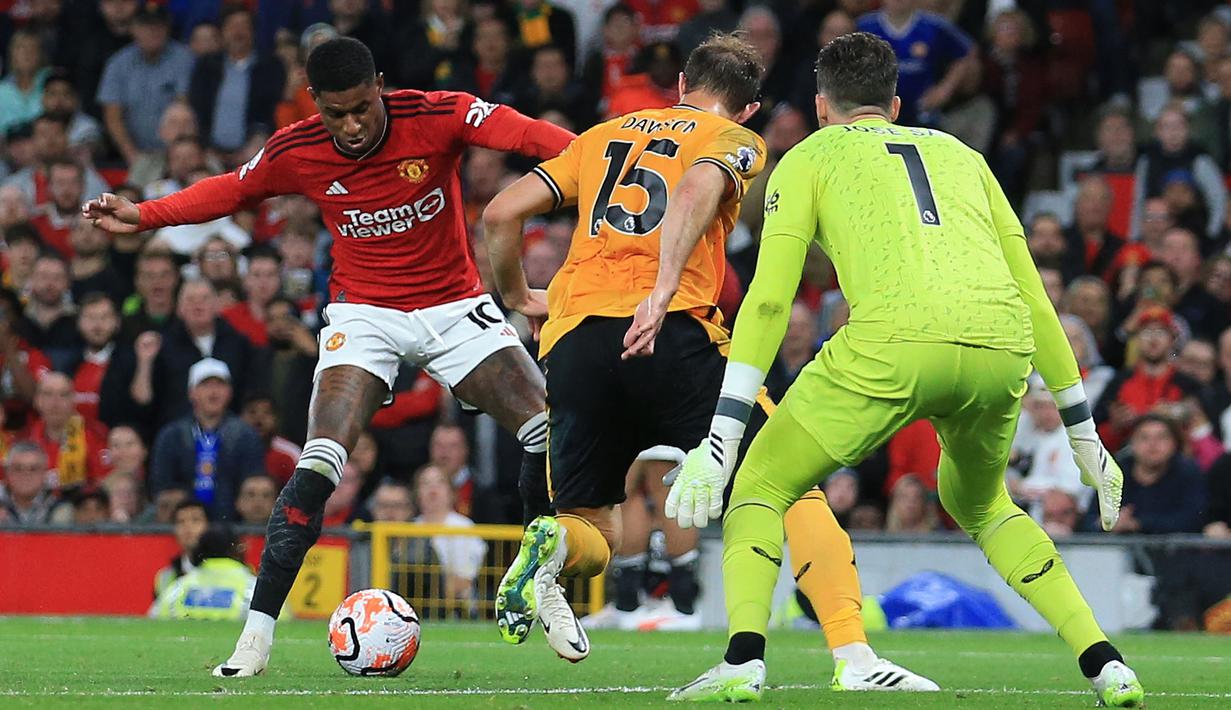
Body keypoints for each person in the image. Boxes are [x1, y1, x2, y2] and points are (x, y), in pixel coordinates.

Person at [664, 33, 1142, 705]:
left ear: (822, 106)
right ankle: (1105, 663)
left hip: (891, 344)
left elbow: (770, 298)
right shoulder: (963, 155)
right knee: (980, 505)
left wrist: (722, 433)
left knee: (759, 488)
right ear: (892, 103)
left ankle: (743, 662)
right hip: (997, 346)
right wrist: (1081, 429)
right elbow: (1034, 294)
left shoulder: (807, 155)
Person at [83, 36, 573, 677]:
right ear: (314, 102)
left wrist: (621, 159)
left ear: (380, 85)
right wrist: (144, 213)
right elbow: (231, 191)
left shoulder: (438, 113)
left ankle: (544, 580)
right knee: (319, 463)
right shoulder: (298, 148)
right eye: (336, 112)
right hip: (363, 315)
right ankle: (255, 639)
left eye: (362, 107)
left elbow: (543, 140)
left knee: (546, 429)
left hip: (453, 306)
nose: (352, 124)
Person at [484, 33, 932, 690]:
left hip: (575, 339)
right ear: (747, 110)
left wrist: (521, 296)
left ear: (680, 87)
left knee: (593, 528)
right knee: (791, 477)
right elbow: (696, 185)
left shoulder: (600, 134)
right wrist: (662, 289)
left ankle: (551, 543)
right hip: (671, 331)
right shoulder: (734, 141)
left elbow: (500, 212)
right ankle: (853, 656)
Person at [147, 358, 265, 521]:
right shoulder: (171, 435)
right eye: (205, 385)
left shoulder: (245, 435)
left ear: (229, 392)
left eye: (220, 385)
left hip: (233, 524)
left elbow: (251, 481)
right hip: (182, 524)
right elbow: (160, 485)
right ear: (191, 392)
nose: (213, 391)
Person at [96, 5, 195, 166]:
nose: (153, 32)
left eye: (158, 26)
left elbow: (182, 110)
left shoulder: (184, 59)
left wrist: (176, 153)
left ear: (167, 28)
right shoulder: (118, 63)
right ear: (133, 29)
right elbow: (112, 115)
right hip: (137, 153)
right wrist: (130, 153)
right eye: (145, 26)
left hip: (176, 153)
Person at [1083, 415, 1206, 535]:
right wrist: (1105, 524)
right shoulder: (1115, 474)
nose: (1153, 444)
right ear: (1131, 444)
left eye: (1161, 437)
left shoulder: (1188, 473)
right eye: (1144, 438)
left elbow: (1193, 521)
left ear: (1174, 444)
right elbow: (1088, 521)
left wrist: (1137, 524)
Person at [150, 526, 288, 620]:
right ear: (235, 550)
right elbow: (284, 620)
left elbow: (152, 619)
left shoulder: (177, 589)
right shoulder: (255, 589)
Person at [28, 371, 110, 488]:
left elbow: (105, 483)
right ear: (37, 401)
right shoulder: (26, 437)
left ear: (73, 400)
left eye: (63, 395)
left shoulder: (94, 434)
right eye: (48, 394)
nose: (55, 402)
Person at [154, 498, 209, 595]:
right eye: (181, 521)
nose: (188, 526)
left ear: (208, 527)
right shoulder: (165, 577)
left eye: (195, 520)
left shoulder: (223, 572)